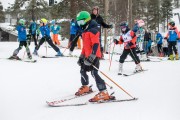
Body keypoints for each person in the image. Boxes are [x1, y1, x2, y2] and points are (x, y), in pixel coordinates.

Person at [75, 11, 115, 102]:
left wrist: (92, 56)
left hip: (94, 56)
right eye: (78, 22)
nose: (80, 24)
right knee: (82, 70)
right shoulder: (85, 31)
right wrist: (82, 56)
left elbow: (96, 44)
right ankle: (86, 87)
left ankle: (104, 92)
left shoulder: (93, 30)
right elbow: (85, 46)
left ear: (87, 20)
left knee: (94, 73)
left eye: (81, 22)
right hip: (87, 56)